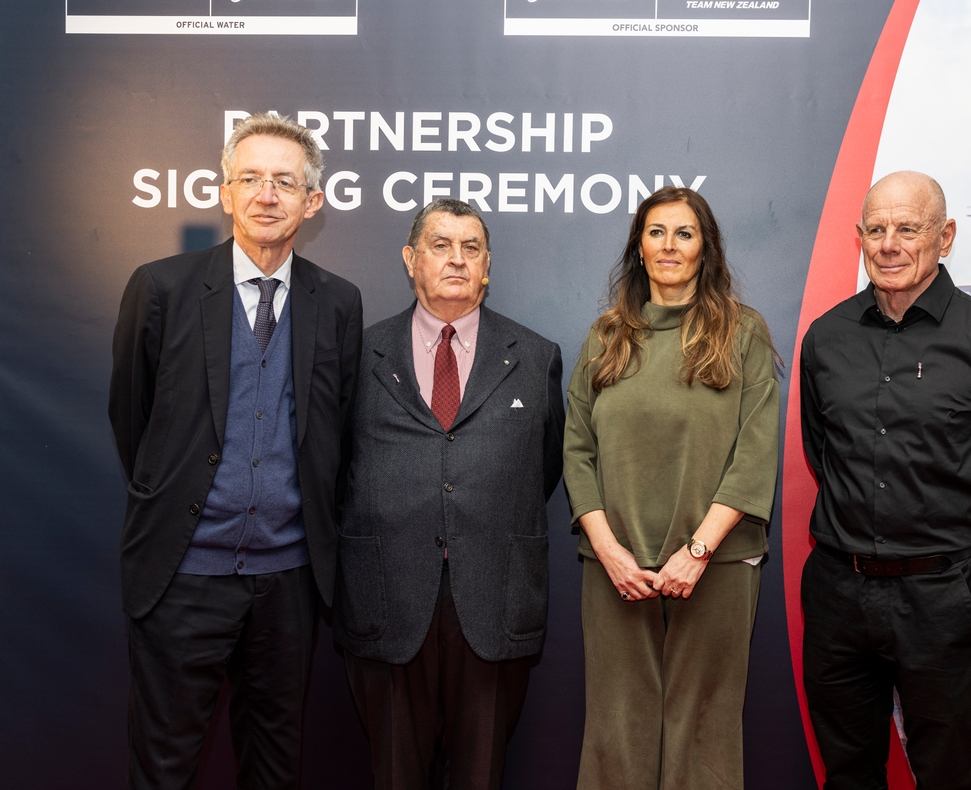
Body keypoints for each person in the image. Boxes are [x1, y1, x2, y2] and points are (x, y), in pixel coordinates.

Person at [108, 113, 363, 789]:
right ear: (225, 193)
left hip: (290, 583)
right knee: (163, 768)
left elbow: (337, 433)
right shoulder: (162, 289)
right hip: (182, 575)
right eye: (249, 179)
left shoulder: (339, 302)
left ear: (312, 201)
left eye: (285, 181)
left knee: (275, 768)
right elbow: (132, 421)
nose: (266, 195)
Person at [798, 170, 971, 789]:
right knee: (847, 774)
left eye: (908, 229)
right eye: (876, 230)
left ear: (946, 237)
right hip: (838, 593)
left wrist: (965, 556)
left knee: (945, 775)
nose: (889, 245)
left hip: (942, 597)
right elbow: (823, 455)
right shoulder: (826, 338)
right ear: (859, 237)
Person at [333, 198, 564, 790]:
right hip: (387, 600)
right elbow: (333, 469)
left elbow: (542, 471)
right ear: (411, 259)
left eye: (471, 248)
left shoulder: (536, 357)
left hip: (493, 600)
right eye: (440, 246)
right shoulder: (358, 354)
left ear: (487, 266)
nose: (457, 260)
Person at [563, 186, 781, 790]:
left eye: (684, 233)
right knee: (617, 730)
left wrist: (698, 551)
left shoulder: (742, 333)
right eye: (655, 232)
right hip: (617, 570)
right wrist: (610, 552)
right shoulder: (606, 335)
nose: (668, 245)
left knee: (704, 732)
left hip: (717, 565)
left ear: (706, 249)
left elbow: (755, 453)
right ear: (638, 247)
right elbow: (576, 452)